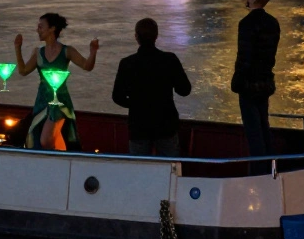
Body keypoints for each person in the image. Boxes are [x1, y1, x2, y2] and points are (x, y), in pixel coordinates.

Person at [14, 13, 98, 151]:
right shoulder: (38, 53)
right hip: (42, 100)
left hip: (60, 102)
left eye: (41, 27)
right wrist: (17, 48)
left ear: (52, 28)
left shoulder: (67, 51)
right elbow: (23, 71)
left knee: (46, 140)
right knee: (41, 140)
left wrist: (93, 52)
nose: (38, 30)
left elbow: (87, 66)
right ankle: (62, 160)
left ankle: (64, 159)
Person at [111, 18, 192, 157]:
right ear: (156, 36)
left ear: (136, 37)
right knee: (169, 168)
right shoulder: (170, 59)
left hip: (139, 125)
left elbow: (117, 96)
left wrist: (136, 104)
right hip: (166, 123)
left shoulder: (127, 63)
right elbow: (184, 90)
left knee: (139, 169)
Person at [232, 0, 280, 175]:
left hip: (249, 83)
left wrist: (237, 81)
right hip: (265, 81)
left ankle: (258, 175)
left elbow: (244, 56)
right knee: (264, 126)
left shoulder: (246, 23)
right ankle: (271, 169)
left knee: (253, 132)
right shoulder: (273, 23)